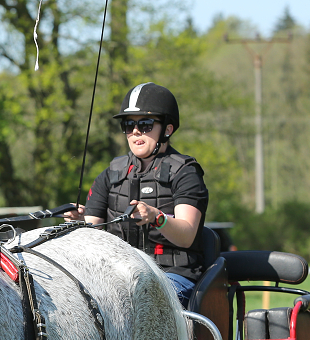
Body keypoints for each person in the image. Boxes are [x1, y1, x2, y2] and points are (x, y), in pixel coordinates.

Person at [66, 82, 209, 307]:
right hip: (120, 275)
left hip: (173, 276)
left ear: (167, 129)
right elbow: (92, 230)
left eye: (145, 124)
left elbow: (187, 235)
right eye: (128, 125)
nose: (135, 132)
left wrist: (156, 217)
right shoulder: (111, 173)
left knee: (139, 302)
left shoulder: (186, 172)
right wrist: (79, 221)